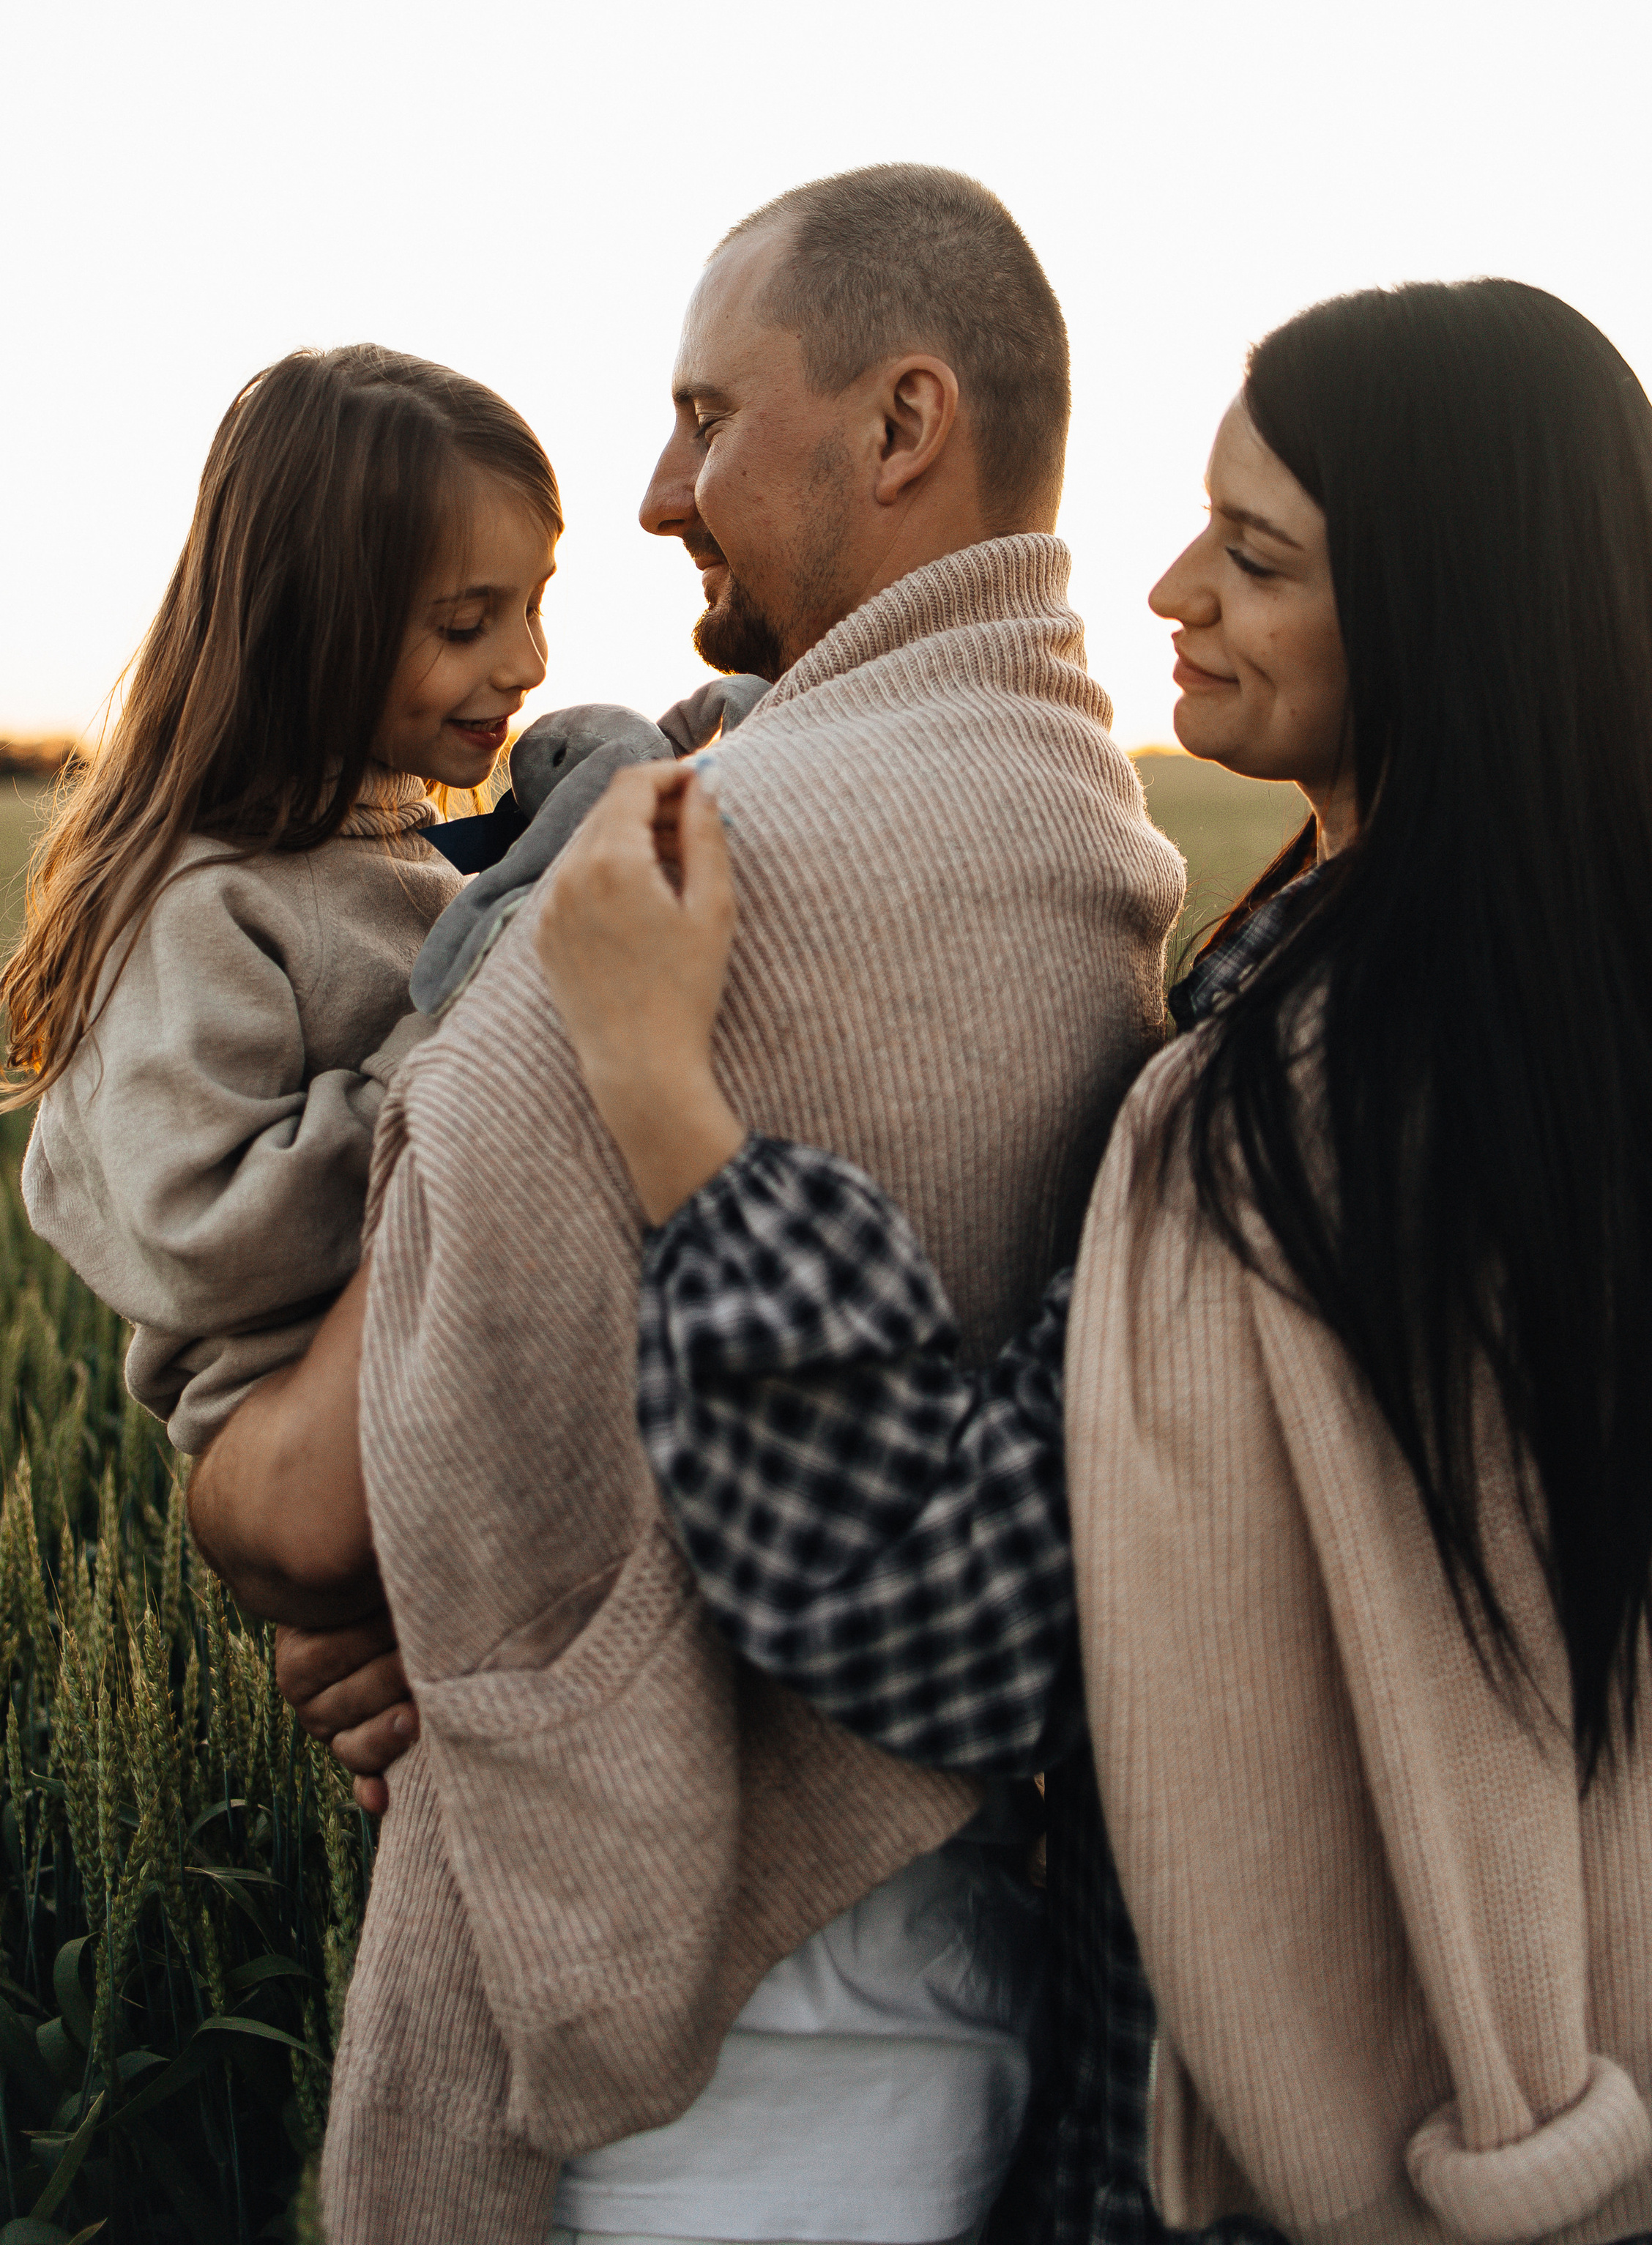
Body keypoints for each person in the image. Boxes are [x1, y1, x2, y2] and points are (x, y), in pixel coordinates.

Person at [536, 278, 1652, 2245]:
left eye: (1257, 553)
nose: (1165, 587)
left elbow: (958, 1621)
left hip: (1265, 2166)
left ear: (1446, 621)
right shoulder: (1550, 1033)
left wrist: (661, 1105)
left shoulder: (1312, 1114)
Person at [185, 164, 1186, 2244]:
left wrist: (332, 1586)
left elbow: (298, 1505)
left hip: (681, 2089)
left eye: (708, 414)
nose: (655, 491)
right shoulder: (1082, 821)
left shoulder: (701, 878)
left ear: (903, 426)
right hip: (950, 1999)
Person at [0, 343, 555, 1453]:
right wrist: (472, 1031)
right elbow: (202, 1228)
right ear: (312, 624)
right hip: (314, 1431)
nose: (529, 661)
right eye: (465, 625)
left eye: (536, 606)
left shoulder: (413, 844)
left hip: (443, 1371)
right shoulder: (198, 904)